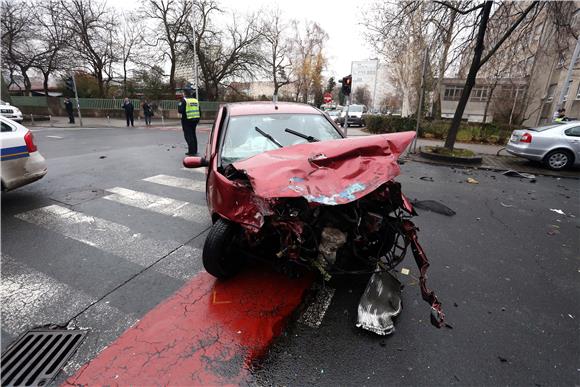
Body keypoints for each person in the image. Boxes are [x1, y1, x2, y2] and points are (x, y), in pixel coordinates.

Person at [178, 89, 201, 156]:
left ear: (185, 94)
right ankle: (195, 150)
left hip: (187, 120)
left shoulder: (184, 100)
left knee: (188, 136)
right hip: (195, 119)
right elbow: (199, 110)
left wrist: (179, 104)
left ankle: (191, 151)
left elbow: (180, 110)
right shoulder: (195, 100)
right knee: (193, 135)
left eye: (183, 93)